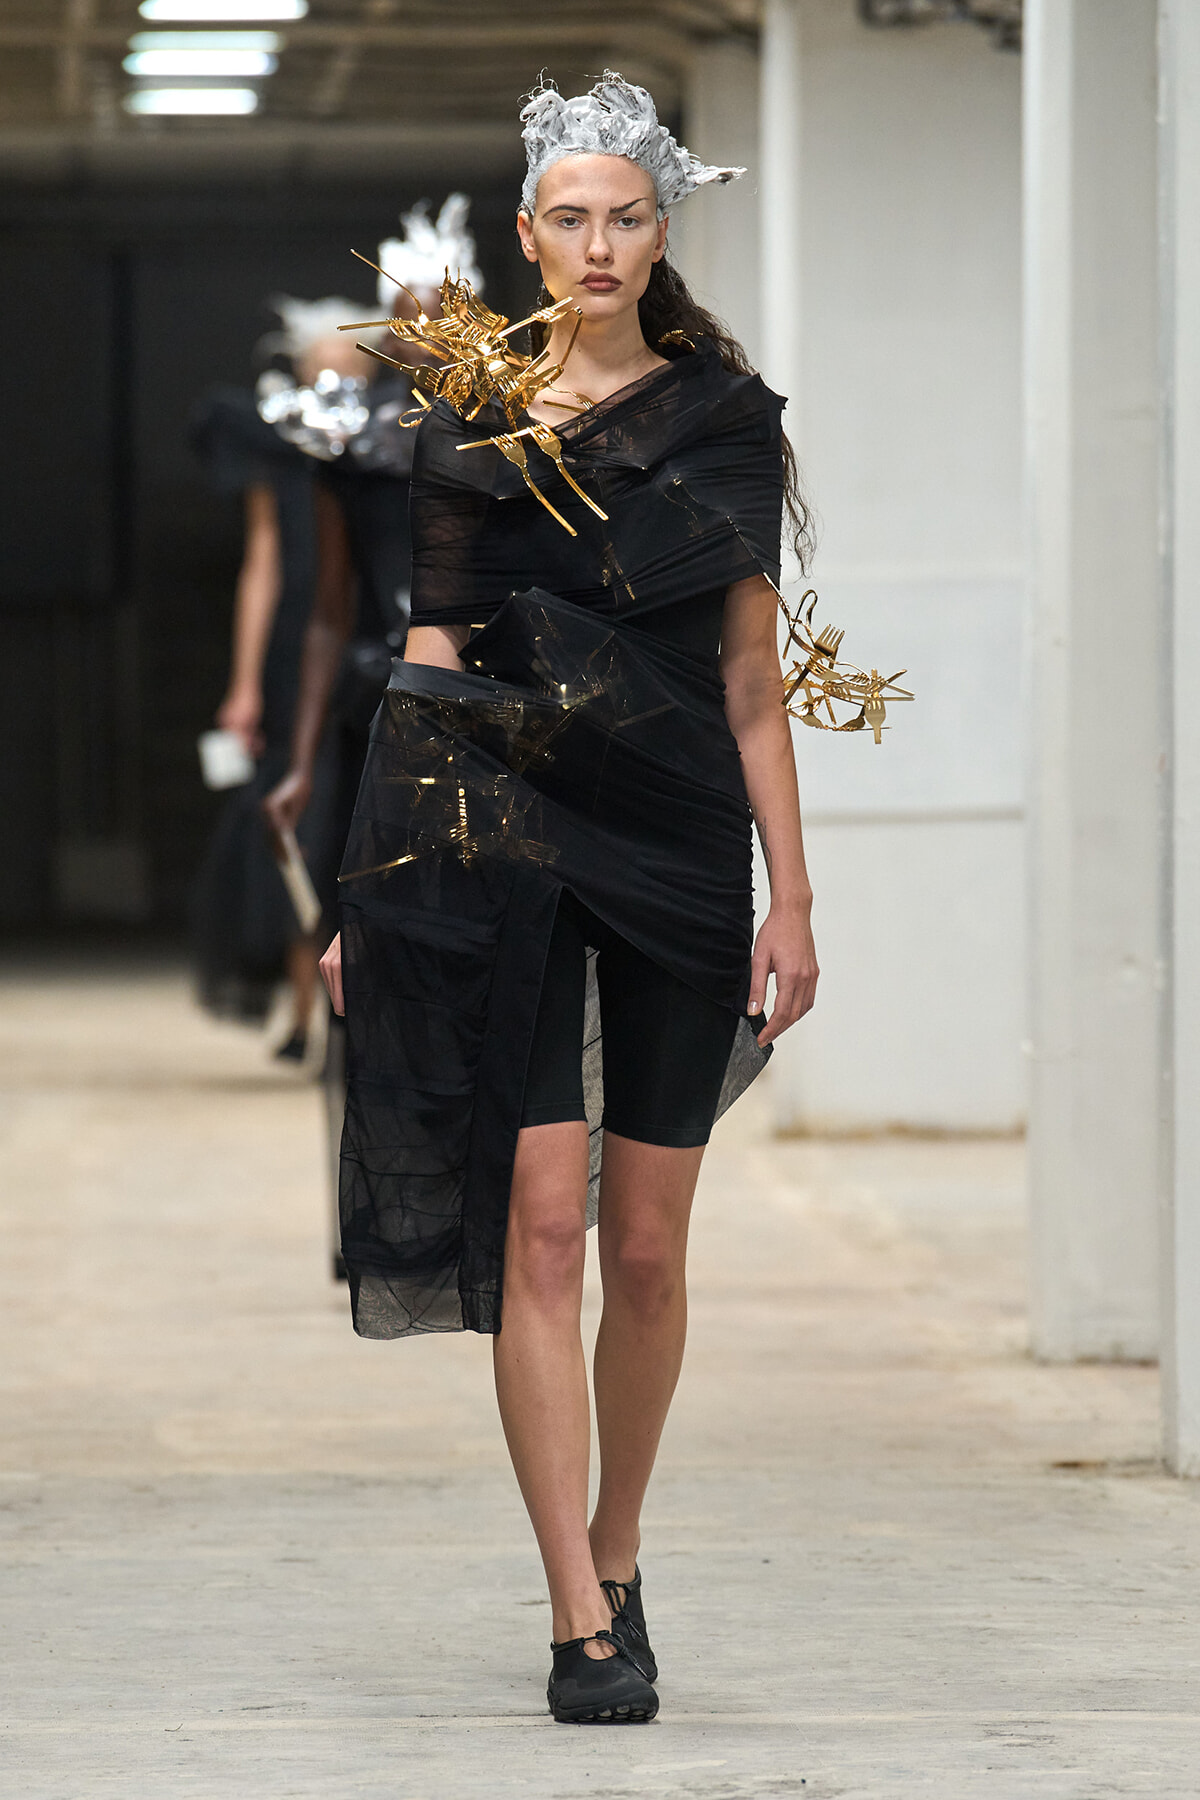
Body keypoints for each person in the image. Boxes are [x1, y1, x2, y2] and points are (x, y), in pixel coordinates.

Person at [320, 75, 819, 1724]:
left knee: (652, 1252)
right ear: (527, 238)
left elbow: (753, 680)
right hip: (498, 836)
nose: (599, 243)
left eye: (628, 216)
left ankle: (617, 1550)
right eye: (570, 217)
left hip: (681, 840)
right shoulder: (472, 421)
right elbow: (437, 658)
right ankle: (576, 1619)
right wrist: (369, 885)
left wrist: (792, 898)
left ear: (661, 234)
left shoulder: (726, 421)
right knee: (541, 1223)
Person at [263, 197, 484, 1275]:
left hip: (496, 737)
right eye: (411, 309)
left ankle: (472, 1212)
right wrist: (299, 757)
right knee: (368, 973)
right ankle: (382, 1220)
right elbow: (325, 606)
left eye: (445, 306)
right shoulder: (346, 442)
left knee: (481, 973)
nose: (426, 325)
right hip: (372, 729)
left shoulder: (520, 429)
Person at [189, 294, 370, 1051]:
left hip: (370, 645)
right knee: (300, 826)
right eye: (316, 375)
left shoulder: (388, 448)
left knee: (354, 825)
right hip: (298, 651)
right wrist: (244, 685)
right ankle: (304, 1009)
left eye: (346, 376)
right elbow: (260, 565)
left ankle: (342, 1011)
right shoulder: (273, 454)